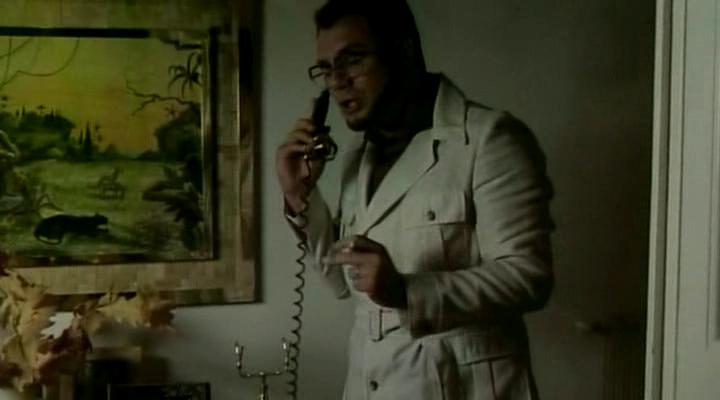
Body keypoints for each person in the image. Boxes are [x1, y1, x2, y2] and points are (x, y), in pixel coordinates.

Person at [276, 1, 554, 399]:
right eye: (325, 68)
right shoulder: (360, 155)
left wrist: (407, 291)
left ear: (402, 50)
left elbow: (529, 277)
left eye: (352, 59)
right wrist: (297, 192)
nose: (336, 81)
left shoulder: (487, 139)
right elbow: (342, 282)